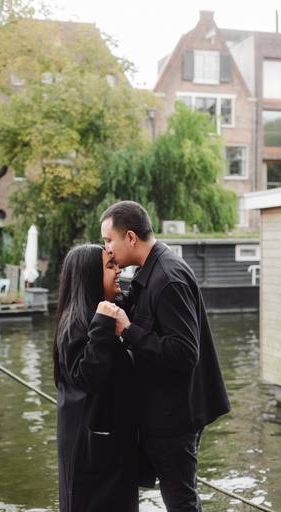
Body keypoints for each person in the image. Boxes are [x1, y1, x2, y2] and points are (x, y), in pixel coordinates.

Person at [100, 201, 231, 512]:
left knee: (181, 502)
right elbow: (137, 309)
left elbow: (186, 353)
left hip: (177, 416)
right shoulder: (152, 270)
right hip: (166, 410)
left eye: (108, 240)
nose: (106, 249)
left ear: (130, 237)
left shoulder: (168, 278)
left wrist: (128, 330)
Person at [53, 244, 139, 512]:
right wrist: (102, 322)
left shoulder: (98, 313)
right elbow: (87, 377)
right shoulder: (75, 324)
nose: (118, 270)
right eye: (110, 266)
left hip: (108, 451)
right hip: (91, 457)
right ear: (90, 275)